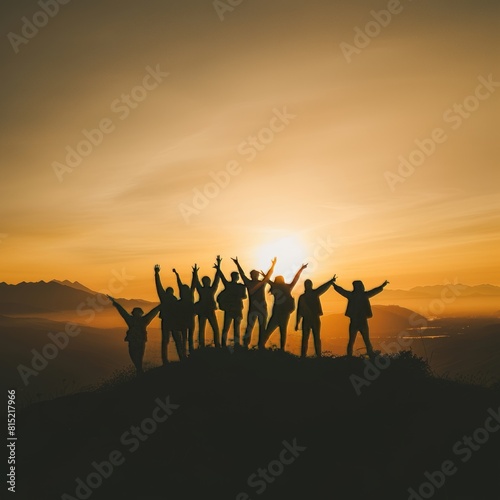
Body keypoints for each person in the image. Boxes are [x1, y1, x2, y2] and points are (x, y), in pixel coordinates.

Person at [332, 278, 389, 358]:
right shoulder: (364, 295)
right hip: (362, 321)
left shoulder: (352, 295)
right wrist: (383, 286)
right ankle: (370, 354)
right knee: (366, 340)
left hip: (354, 321)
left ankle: (349, 356)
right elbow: (374, 291)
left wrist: (334, 285)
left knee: (352, 340)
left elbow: (342, 291)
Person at [107, 295, 160, 376]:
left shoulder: (140, 320)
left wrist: (159, 306)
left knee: (137, 356)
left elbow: (152, 312)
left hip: (137, 340)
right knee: (135, 356)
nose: (136, 314)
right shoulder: (139, 320)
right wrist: (115, 303)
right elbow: (122, 311)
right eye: (136, 312)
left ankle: (139, 370)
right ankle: (139, 370)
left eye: (137, 312)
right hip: (136, 340)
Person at [231, 256, 276, 349]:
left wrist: (273, 265)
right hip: (257, 308)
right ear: (252, 276)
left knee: (258, 327)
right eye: (254, 275)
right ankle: (249, 345)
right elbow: (242, 274)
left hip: (260, 307)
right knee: (252, 327)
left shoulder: (257, 283)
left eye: (255, 275)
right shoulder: (254, 283)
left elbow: (268, 275)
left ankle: (259, 345)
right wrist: (237, 264)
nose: (255, 276)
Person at [261, 263, 308, 351]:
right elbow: (295, 278)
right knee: (283, 331)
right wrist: (301, 268)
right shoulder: (288, 287)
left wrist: (266, 274)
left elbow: (267, 280)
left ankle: (261, 346)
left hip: (276, 313)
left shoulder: (275, 287)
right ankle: (282, 349)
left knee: (268, 331)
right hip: (285, 314)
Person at [295, 275, 337, 358]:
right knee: (312, 338)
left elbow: (299, 312)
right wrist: (297, 323)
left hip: (310, 319)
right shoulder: (312, 294)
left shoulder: (304, 297)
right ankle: (314, 355)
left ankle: (310, 355)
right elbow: (299, 311)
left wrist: (330, 281)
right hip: (312, 319)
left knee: (311, 338)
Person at [154, 264, 186, 363]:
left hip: (169, 321)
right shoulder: (173, 300)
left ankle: (169, 359)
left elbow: (158, 286)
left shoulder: (167, 298)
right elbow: (159, 286)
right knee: (174, 340)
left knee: (168, 341)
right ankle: (180, 357)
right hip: (171, 321)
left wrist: (156, 274)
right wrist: (156, 274)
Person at [214, 257, 247, 348]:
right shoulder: (236, 286)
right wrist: (218, 267)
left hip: (235, 308)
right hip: (232, 308)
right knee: (229, 328)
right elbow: (222, 277)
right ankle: (227, 344)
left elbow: (244, 296)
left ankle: (229, 344)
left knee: (231, 328)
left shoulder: (237, 286)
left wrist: (218, 267)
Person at [192, 256, 221, 348]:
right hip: (204, 310)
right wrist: (195, 273)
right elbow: (196, 282)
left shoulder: (210, 289)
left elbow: (216, 280)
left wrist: (219, 266)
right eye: (206, 281)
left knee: (214, 329)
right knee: (203, 329)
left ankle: (216, 344)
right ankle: (203, 345)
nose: (207, 282)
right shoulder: (205, 290)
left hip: (207, 310)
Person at [173, 267, 196, 355]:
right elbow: (192, 285)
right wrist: (194, 274)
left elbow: (191, 284)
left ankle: (185, 352)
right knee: (188, 337)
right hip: (188, 319)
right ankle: (189, 352)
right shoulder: (190, 297)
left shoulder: (185, 299)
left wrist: (177, 274)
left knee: (185, 337)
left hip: (185, 319)